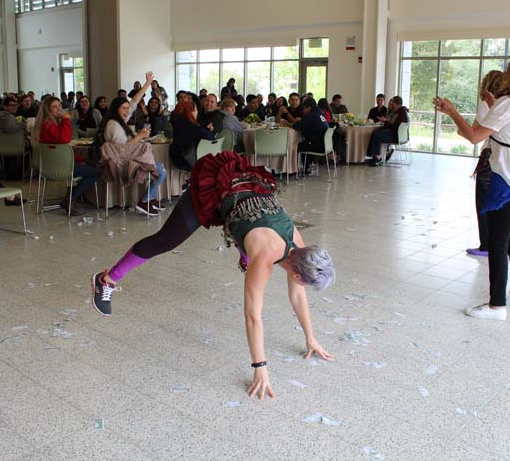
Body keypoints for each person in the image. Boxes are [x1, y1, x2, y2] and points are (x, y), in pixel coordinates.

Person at [90, 150, 335, 399]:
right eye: (304, 283)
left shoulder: (298, 245)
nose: (302, 287)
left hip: (246, 197)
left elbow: (298, 297)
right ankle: (106, 280)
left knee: (249, 240)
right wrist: (260, 367)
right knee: (164, 241)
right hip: (217, 191)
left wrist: (311, 338)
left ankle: (243, 248)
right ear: (297, 275)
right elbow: (253, 318)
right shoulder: (264, 263)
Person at [434, 52, 510, 321]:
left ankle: (496, 306)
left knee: (497, 240)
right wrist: (493, 104)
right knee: (507, 229)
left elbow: (474, 136)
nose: (507, 71)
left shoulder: (509, 104)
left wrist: (452, 111)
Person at [100, 94, 167, 216]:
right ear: (116, 109)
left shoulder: (119, 121)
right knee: (161, 171)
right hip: (124, 163)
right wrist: (139, 137)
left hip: (127, 159)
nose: (127, 111)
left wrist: (147, 83)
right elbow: (123, 148)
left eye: (127, 108)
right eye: (124, 108)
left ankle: (150, 198)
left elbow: (133, 103)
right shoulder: (114, 125)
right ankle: (145, 200)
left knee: (160, 168)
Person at [34, 96, 99, 216]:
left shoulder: (49, 124)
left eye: (59, 106)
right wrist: (66, 120)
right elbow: (65, 139)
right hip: (61, 167)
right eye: (55, 107)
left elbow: (63, 150)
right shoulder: (49, 125)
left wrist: (81, 160)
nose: (59, 109)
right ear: (48, 110)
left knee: (92, 165)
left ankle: (72, 196)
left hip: (54, 164)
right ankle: (71, 197)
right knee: (97, 172)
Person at [466, 70, 504, 258]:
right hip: (503, 160)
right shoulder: (508, 103)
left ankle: (486, 244)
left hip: (489, 158)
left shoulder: (487, 104)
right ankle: (496, 243)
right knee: (498, 203)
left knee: (483, 202)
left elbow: (474, 133)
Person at [170, 101, 215, 170]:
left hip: (176, 156)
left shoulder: (177, 122)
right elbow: (210, 137)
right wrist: (209, 130)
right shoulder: (189, 125)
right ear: (190, 112)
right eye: (196, 110)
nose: (197, 113)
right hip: (187, 159)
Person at [365, 96, 408, 166]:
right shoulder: (397, 111)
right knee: (376, 132)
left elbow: (395, 127)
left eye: (392, 102)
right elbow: (393, 124)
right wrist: (385, 121)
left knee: (377, 135)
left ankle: (378, 157)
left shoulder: (401, 113)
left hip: (396, 136)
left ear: (396, 103)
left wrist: (386, 121)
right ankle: (374, 156)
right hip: (394, 133)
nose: (391, 104)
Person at [293, 98, 330, 172]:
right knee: (306, 142)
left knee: (296, 146)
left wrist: (295, 122)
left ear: (309, 107)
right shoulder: (319, 113)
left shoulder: (312, 115)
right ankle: (307, 166)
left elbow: (297, 126)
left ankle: (296, 169)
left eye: (304, 108)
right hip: (325, 145)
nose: (303, 111)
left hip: (318, 146)